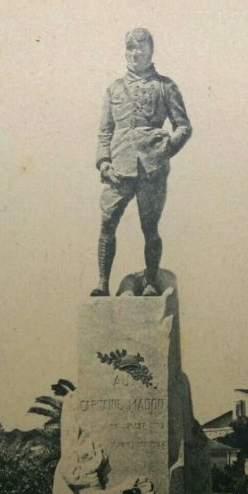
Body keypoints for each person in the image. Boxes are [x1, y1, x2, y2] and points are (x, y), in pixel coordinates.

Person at [91, 28, 192, 297]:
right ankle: (102, 283)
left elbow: (184, 126)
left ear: (150, 52)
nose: (135, 55)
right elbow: (104, 131)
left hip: (152, 168)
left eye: (141, 50)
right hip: (119, 168)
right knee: (107, 222)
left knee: (149, 226)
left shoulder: (165, 86)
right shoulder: (113, 89)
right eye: (130, 49)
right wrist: (103, 162)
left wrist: (166, 148)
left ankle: (149, 282)